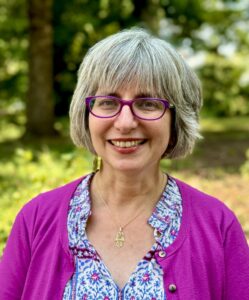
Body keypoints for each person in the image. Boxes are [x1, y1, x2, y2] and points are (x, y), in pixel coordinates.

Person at [0, 28, 249, 300]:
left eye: (147, 103)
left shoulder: (217, 225)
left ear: (175, 118)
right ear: (86, 114)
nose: (126, 122)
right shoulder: (35, 219)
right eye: (108, 102)